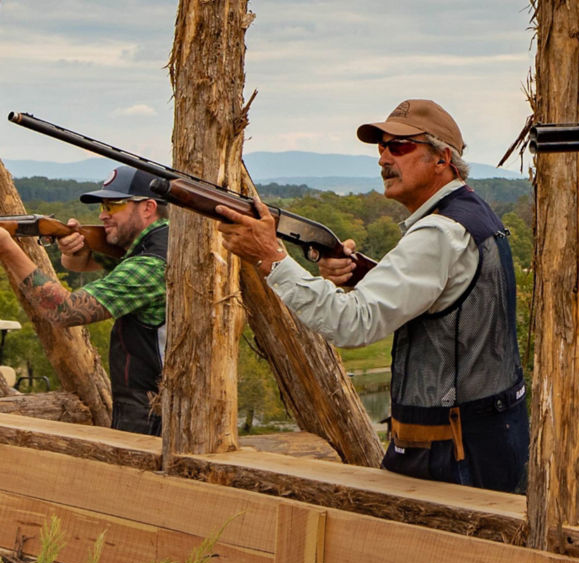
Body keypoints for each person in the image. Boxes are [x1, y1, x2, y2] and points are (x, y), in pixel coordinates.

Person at [216, 98, 529, 493]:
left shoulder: (438, 233)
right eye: (381, 147)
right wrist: (358, 277)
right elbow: (442, 298)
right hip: (485, 437)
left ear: (442, 158)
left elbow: (352, 325)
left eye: (400, 146)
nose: (384, 158)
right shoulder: (469, 215)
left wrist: (272, 259)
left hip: (449, 452)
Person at [0, 165, 168, 435]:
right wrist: (74, 249)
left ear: (148, 208)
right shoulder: (156, 243)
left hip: (153, 416)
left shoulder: (151, 264)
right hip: (154, 407)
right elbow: (81, 262)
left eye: (112, 206)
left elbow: (66, 312)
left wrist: (8, 249)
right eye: (102, 206)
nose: (102, 215)